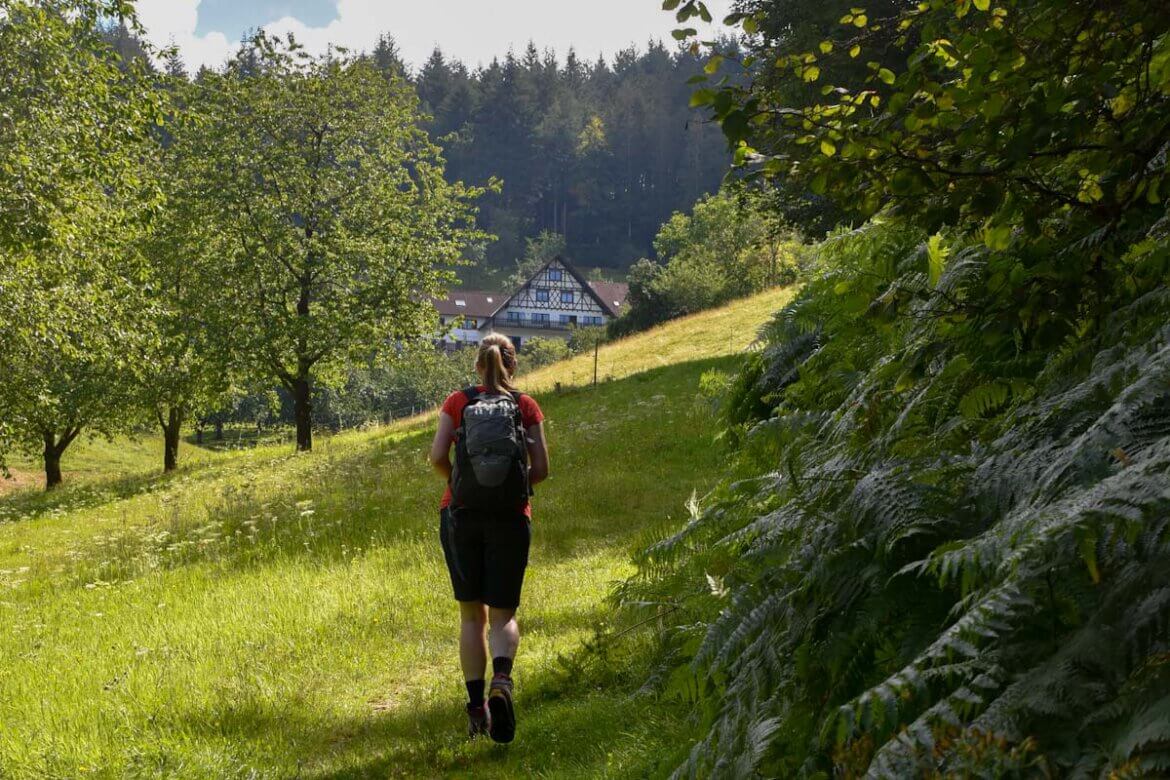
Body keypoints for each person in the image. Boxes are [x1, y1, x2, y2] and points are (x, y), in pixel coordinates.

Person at [428, 333, 549, 743]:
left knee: (470, 616)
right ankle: (502, 679)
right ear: (511, 365)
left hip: (460, 516)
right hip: (511, 519)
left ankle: (477, 709)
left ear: (477, 365)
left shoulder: (457, 401)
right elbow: (542, 468)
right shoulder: (525, 405)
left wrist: (461, 485)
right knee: (503, 615)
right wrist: (513, 491)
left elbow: (436, 457)